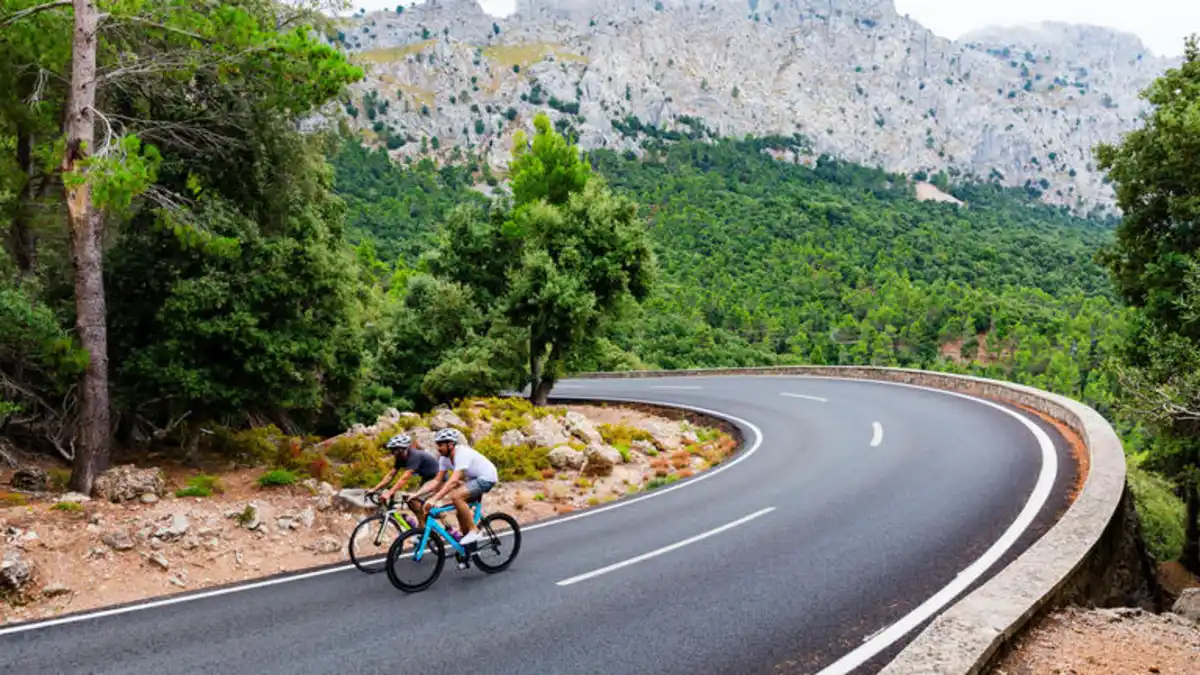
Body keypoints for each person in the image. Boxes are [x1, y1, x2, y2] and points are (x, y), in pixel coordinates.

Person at [421, 428, 499, 547]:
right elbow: (436, 481)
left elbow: (453, 481)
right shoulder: (444, 459)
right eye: (437, 445)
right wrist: (417, 495)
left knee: (457, 496)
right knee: (460, 513)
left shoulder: (461, 454)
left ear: (450, 444)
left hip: (487, 477)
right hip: (474, 479)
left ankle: (475, 531)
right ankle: (468, 546)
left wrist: (435, 499)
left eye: (441, 445)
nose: (438, 448)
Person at [369, 433, 442, 528]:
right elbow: (390, 476)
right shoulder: (400, 457)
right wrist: (374, 489)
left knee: (415, 500)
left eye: (395, 450)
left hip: (438, 479)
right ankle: (424, 529)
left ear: (403, 449)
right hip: (427, 479)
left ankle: (439, 519)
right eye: (392, 450)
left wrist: (389, 493)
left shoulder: (414, 456)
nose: (393, 453)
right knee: (412, 501)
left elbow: (404, 479)